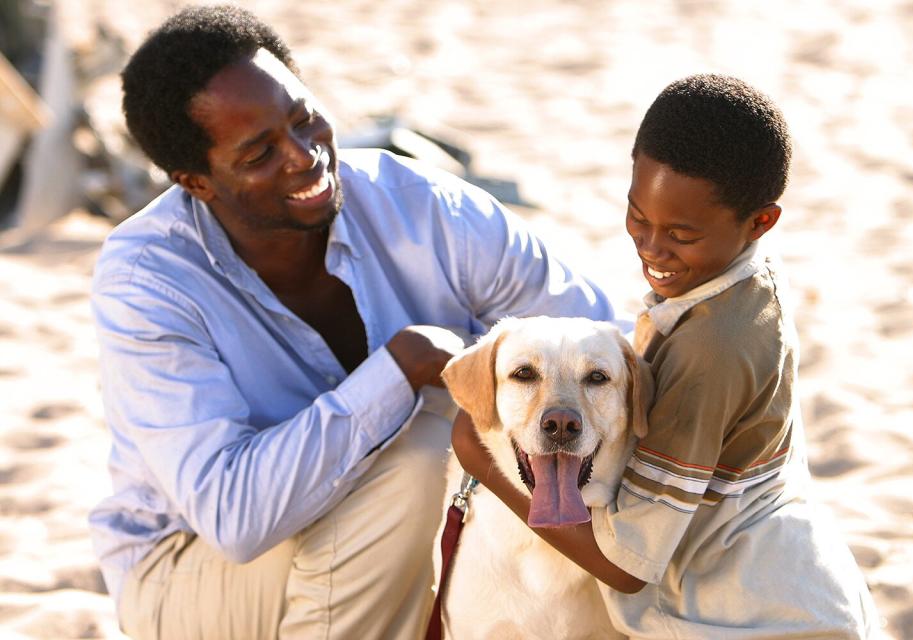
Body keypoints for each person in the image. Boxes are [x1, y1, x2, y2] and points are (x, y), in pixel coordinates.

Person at [89, 5, 618, 639]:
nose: (303, 155)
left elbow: (596, 336)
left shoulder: (421, 206)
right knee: (424, 449)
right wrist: (397, 370)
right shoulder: (147, 280)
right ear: (194, 182)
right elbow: (233, 517)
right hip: (190, 569)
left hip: (368, 541)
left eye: (304, 117)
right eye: (259, 152)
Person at [453, 74, 880, 638]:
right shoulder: (741, 286)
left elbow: (628, 568)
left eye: (680, 232)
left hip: (749, 616)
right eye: (638, 217)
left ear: (760, 221)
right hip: (797, 586)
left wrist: (476, 455)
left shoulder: (712, 349)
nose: (652, 249)